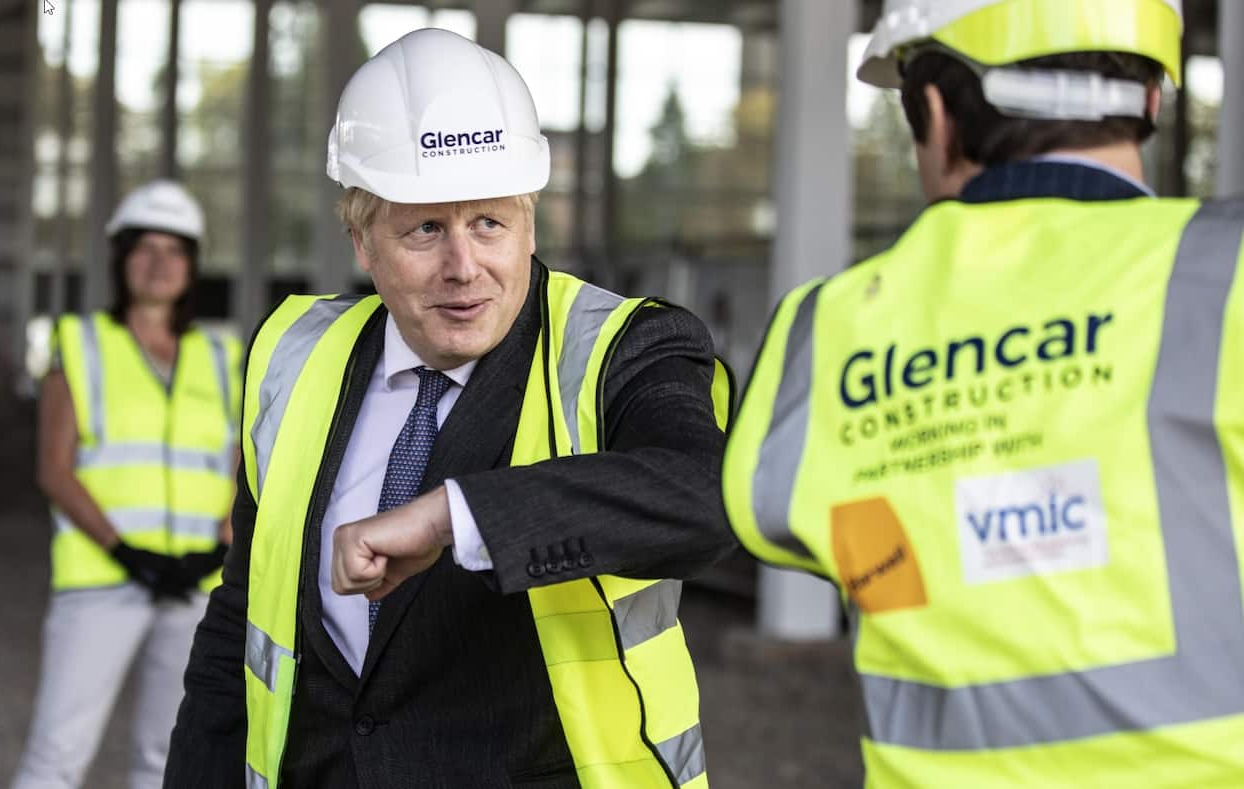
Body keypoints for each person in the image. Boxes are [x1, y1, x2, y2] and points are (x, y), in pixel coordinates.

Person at [166, 28, 734, 789]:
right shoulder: (295, 356)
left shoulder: (627, 347)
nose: (464, 267)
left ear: (530, 223)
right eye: (426, 228)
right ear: (363, 240)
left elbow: (705, 498)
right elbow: (238, 625)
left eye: (490, 223)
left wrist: (452, 517)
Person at [722, 0, 1244, 786]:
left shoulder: (825, 326)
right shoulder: (1224, 273)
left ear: (932, 113)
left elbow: (769, 516)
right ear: (1152, 100)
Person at [12, 179, 241, 789]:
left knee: (168, 761)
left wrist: (221, 547)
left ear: (192, 264)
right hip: (103, 580)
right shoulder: (79, 342)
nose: (160, 263)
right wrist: (124, 552)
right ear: (122, 260)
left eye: (175, 249)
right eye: (145, 248)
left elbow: (244, 462)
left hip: (198, 582)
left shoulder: (223, 354)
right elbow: (53, 468)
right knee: (56, 756)